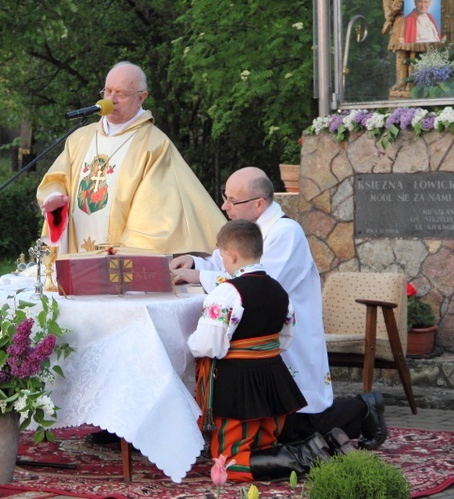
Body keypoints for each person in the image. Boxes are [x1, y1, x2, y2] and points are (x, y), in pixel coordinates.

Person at [171, 167, 387, 451]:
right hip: (262, 339)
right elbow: (225, 261)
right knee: (275, 424)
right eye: (225, 198)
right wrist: (194, 263)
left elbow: (257, 283)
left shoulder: (286, 232)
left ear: (259, 203)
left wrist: (200, 277)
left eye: (232, 200)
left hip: (287, 339)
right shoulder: (250, 231)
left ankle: (364, 409)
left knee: (299, 428)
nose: (225, 206)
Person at [189, 219, 350, 481]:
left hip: (237, 387)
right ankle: (316, 448)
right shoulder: (279, 291)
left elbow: (209, 344)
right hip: (274, 381)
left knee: (226, 462)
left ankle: (303, 457)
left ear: (230, 254)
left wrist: (189, 345)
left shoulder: (226, 293)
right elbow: (285, 338)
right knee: (264, 445)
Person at [37, 61, 225, 256]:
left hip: (119, 260)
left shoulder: (154, 144)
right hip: (75, 253)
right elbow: (56, 180)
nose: (111, 100)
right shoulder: (80, 138)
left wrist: (120, 254)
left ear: (141, 98)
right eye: (108, 91)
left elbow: (156, 211)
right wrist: (55, 199)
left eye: (121, 93)